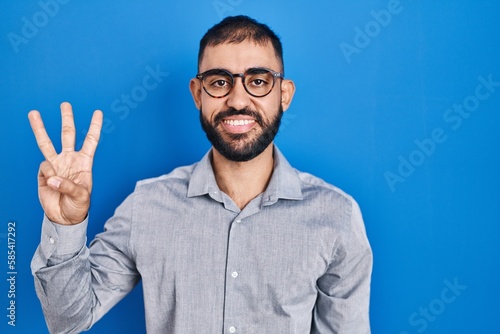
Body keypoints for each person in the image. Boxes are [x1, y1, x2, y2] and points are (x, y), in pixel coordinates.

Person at [29, 15, 372, 334]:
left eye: (258, 81)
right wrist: (66, 225)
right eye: (220, 82)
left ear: (283, 95)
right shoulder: (147, 206)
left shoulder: (336, 216)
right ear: (197, 93)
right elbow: (67, 320)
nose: (238, 99)